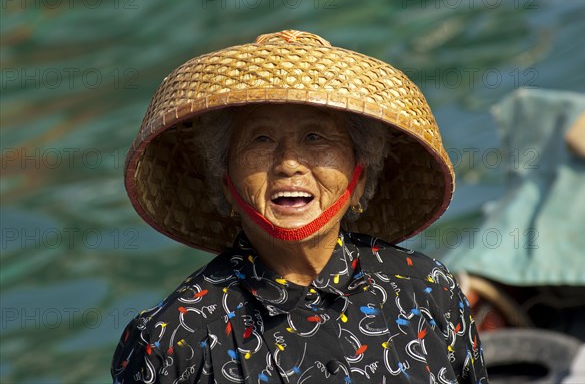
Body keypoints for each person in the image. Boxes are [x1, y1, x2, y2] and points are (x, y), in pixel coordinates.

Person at [112, 30, 487, 383]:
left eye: (315, 137)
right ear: (225, 183)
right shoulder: (172, 338)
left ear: (358, 179)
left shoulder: (426, 288)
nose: (289, 162)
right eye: (261, 139)